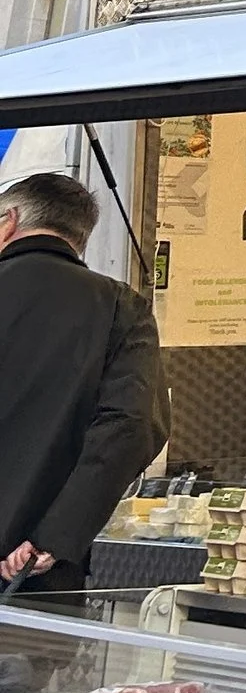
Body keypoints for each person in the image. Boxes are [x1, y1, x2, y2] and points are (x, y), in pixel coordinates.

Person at [0, 167, 170, 600]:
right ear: (80, 237)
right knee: (28, 664)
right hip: (31, 577)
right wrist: (54, 537)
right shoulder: (121, 308)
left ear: (8, 223)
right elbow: (131, 426)